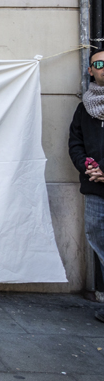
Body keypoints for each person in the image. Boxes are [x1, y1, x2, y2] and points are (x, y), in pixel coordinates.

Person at [68, 49, 104, 325]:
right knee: (99, 240)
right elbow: (75, 143)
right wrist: (88, 167)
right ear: (91, 71)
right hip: (95, 189)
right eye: (98, 64)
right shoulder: (84, 109)